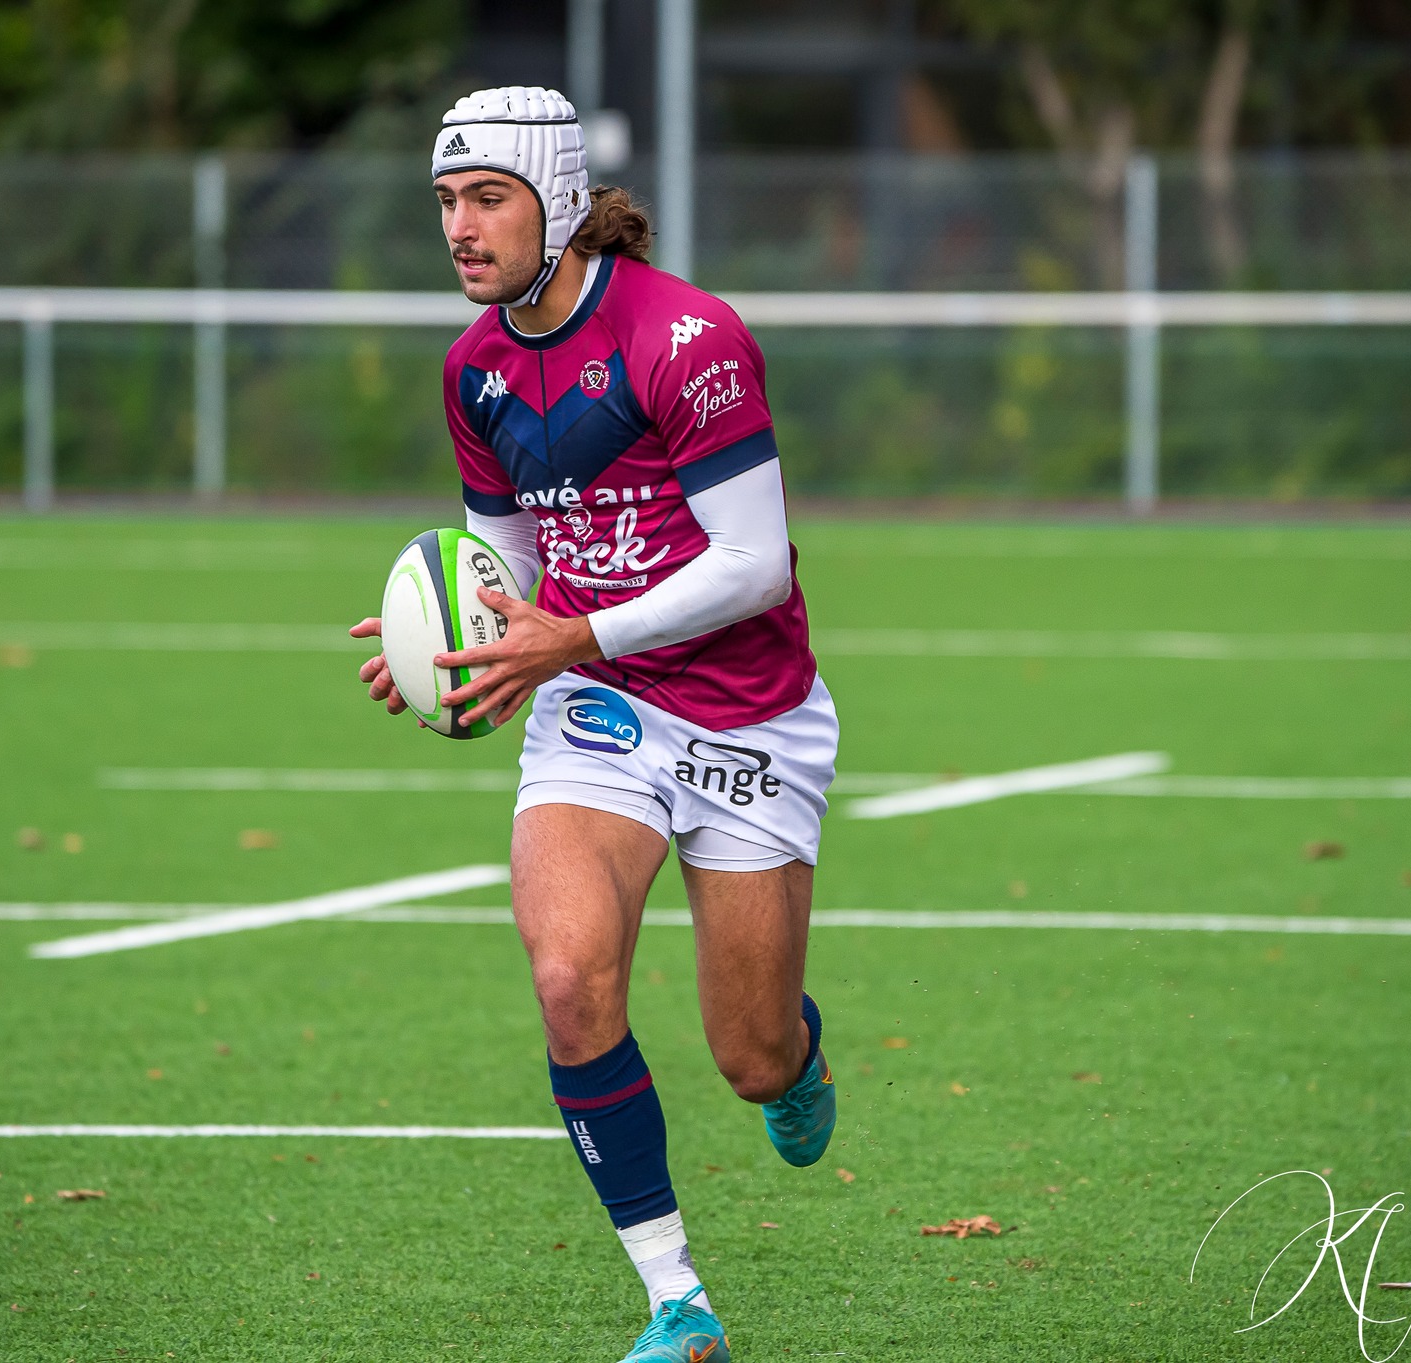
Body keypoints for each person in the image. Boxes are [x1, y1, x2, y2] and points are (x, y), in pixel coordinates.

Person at [350, 86, 839, 1363]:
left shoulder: (686, 336)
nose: (459, 227)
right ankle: (676, 1302)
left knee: (750, 1057)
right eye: (447, 201)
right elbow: (508, 570)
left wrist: (572, 631)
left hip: (747, 716)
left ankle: (797, 1056)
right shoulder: (474, 373)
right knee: (569, 979)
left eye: (487, 199)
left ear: (559, 200)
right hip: (597, 709)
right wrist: (454, 647)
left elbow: (755, 566)